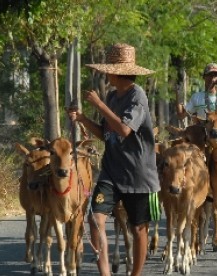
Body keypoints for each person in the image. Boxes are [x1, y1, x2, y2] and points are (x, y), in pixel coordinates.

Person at [67, 43, 161, 276]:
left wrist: (98, 105)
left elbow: (125, 130)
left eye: (107, 70)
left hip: (138, 175)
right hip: (111, 172)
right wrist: (82, 118)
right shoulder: (111, 95)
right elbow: (106, 133)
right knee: (95, 218)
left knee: (138, 228)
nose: (105, 74)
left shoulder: (137, 96)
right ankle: (105, 273)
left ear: (117, 72)